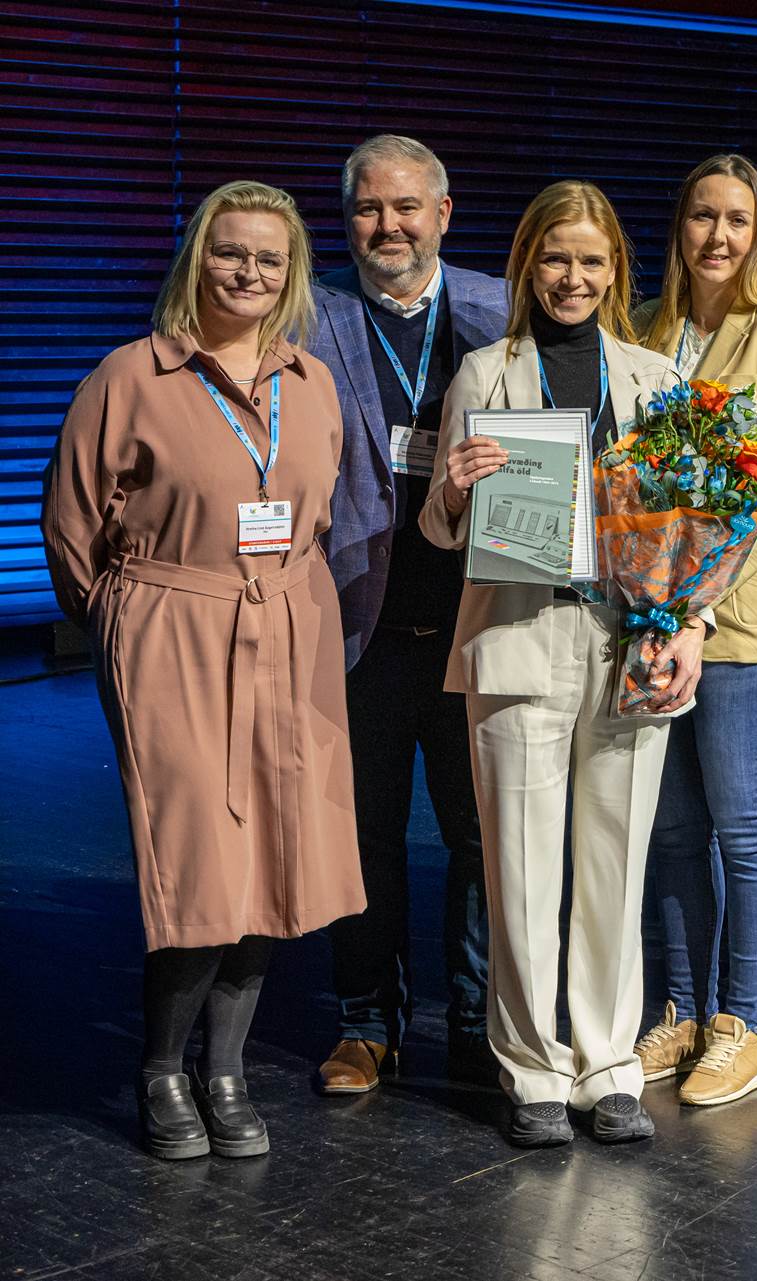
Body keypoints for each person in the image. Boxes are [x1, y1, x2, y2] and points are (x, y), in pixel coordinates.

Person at [42, 180, 365, 1160]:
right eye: (231, 253)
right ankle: (160, 1071)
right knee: (198, 860)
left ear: (292, 271)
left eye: (270, 258)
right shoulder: (131, 376)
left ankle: (225, 1069)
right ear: (198, 259)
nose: (250, 273)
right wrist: (119, 620)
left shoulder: (311, 381)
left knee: (273, 856)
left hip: (290, 627)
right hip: (174, 628)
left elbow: (322, 507)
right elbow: (70, 524)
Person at [421, 180, 699, 1147]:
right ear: (525, 265)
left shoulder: (659, 378)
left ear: (616, 267)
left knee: (615, 865)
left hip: (632, 642)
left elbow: (692, 533)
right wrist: (452, 491)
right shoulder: (483, 372)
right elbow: (439, 529)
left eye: (590, 260)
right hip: (519, 640)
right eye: (554, 258)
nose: (571, 277)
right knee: (523, 870)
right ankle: (535, 1069)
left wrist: (688, 627)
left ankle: (609, 1064)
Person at [306, 134, 508, 1094]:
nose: (387, 227)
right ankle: (364, 1021)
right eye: (367, 210)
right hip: (359, 628)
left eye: (404, 208)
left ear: (443, 212)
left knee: (478, 840)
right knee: (365, 837)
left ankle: (472, 1022)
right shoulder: (307, 319)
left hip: (476, 625)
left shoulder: (500, 311)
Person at [633, 154, 757, 1106]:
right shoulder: (646, 328)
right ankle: (679, 1012)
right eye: (703, 215)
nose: (718, 235)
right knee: (671, 833)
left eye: (737, 221)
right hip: (649, 620)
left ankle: (745, 1027)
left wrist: (700, 604)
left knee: (747, 831)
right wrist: (653, 603)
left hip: (745, 625)